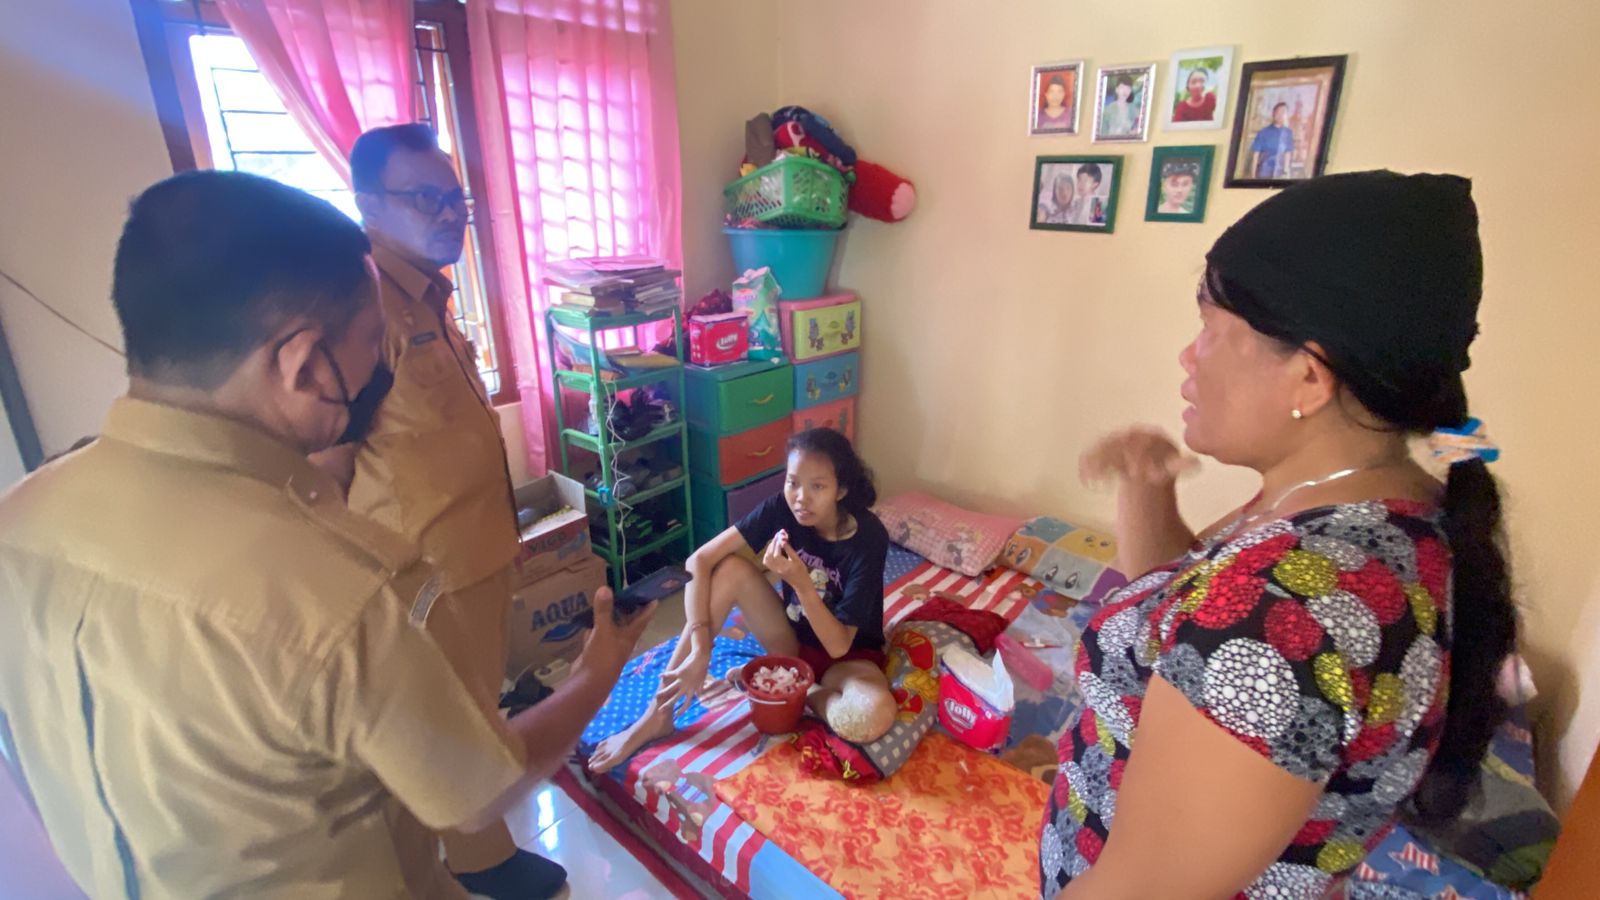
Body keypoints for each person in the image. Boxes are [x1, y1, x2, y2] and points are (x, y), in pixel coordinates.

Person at [0, 170, 653, 898]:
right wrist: (596, 673)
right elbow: (478, 791)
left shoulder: (20, 518)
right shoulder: (334, 592)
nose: (381, 367)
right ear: (305, 364)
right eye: (373, 343)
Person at [1039, 171, 1515, 899]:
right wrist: (1146, 487)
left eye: (1211, 330)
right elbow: (1184, 629)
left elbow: (1141, 888)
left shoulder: (1278, 614)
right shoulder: (1369, 512)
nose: (1188, 356)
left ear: (1310, 378)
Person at [308, 123, 565, 899]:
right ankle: (477, 864)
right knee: (445, 726)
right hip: (421, 572)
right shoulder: (362, 311)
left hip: (474, 553)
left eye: (457, 198)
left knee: (473, 709)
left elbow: (450, 438)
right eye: (426, 198)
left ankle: (474, 851)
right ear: (368, 203)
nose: (451, 213)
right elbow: (326, 466)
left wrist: (506, 533)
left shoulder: (430, 295)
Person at [589, 428, 895, 773]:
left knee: (872, 716)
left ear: (841, 490)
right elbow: (698, 562)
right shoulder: (783, 508)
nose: (801, 498)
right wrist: (701, 647)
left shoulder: (868, 538)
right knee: (730, 570)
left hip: (847, 659)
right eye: (793, 482)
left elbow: (838, 645)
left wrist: (801, 584)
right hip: (792, 643)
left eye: (817, 487)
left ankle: (805, 691)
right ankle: (656, 715)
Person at [1251, 101, 1297, 178]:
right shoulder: (1263, 132)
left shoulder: (1288, 133)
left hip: (1280, 172)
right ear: (1273, 113)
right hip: (1264, 171)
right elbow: (1256, 155)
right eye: (1278, 112)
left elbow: (1287, 153)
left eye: (1283, 113)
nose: (1280, 115)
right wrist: (1253, 176)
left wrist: (1286, 172)